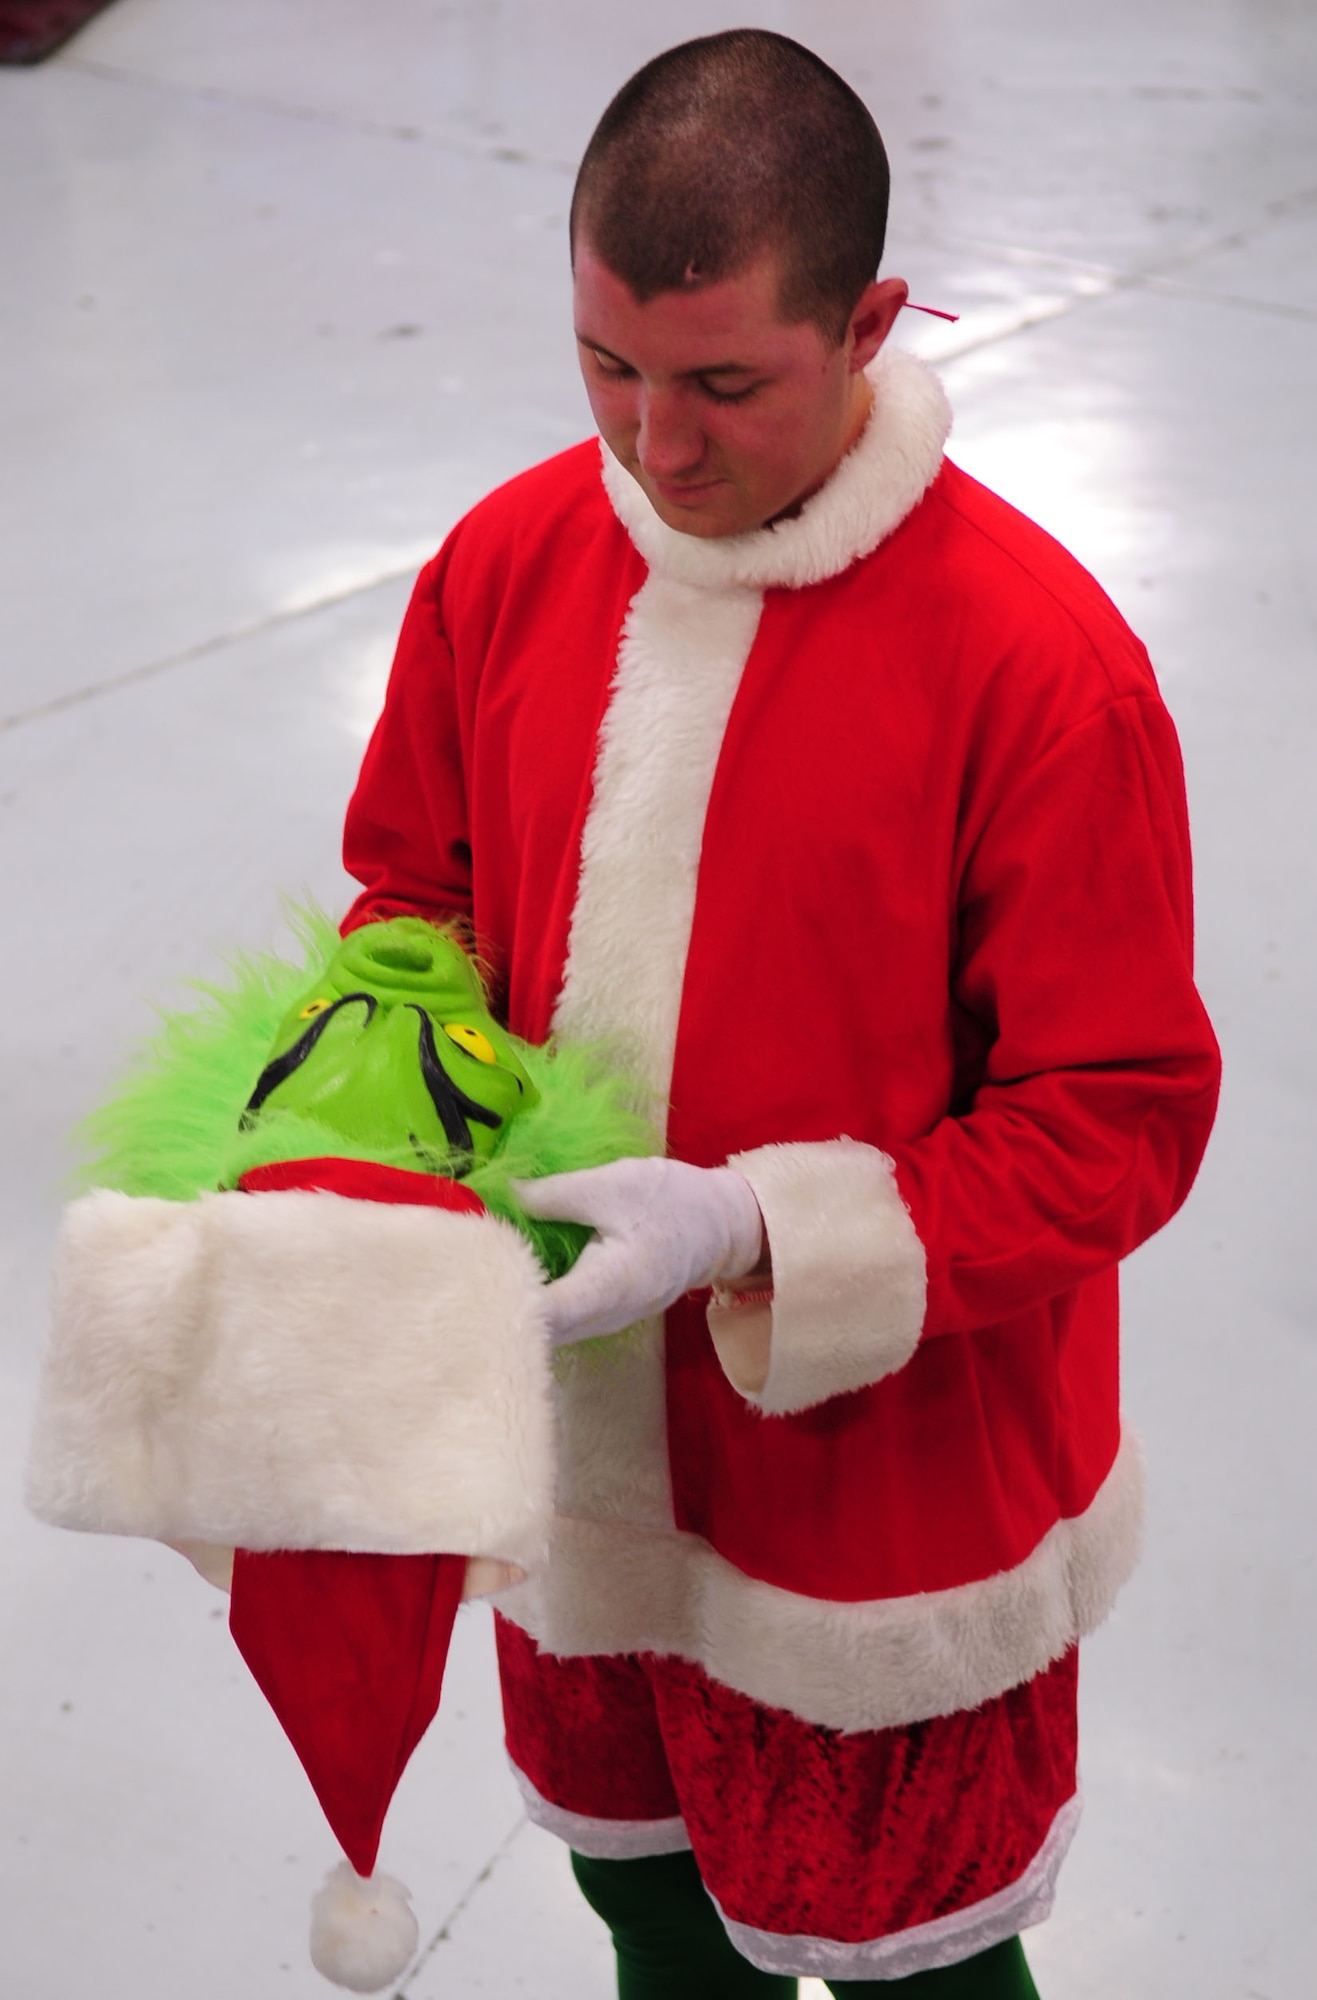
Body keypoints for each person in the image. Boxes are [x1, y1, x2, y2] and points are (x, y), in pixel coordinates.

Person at [340, 29, 1220, 1998]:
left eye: (724, 382)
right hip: (575, 1456)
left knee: (918, 1959)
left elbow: (1119, 1115)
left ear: (872, 322)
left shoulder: (1035, 670)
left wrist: (754, 1230)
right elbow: (412, 895)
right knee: (644, 1901)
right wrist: (405, 1094)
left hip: (872, 1518)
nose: (652, 448)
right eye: (606, 366)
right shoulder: (500, 564)